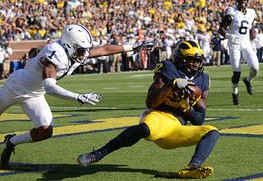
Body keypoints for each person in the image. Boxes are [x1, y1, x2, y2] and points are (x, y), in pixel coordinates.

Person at [0, 24, 154, 166]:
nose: (85, 54)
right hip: (15, 87)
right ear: (69, 46)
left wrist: (132, 47)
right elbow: (50, 87)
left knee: (45, 130)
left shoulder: (75, 51)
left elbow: (103, 50)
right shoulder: (55, 52)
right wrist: (78, 96)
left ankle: (11, 141)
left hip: (35, 94)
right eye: (81, 50)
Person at [77, 40, 220, 179]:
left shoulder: (203, 79)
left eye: (198, 61)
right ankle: (98, 154)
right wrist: (170, 86)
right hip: (160, 117)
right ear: (180, 59)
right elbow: (150, 102)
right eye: (191, 60)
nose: (196, 64)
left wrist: (186, 108)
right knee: (146, 128)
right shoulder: (168, 68)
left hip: (178, 128)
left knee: (212, 132)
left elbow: (199, 120)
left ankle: (192, 167)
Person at [218, 0, 259, 105]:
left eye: (245, 0)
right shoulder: (232, 12)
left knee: (255, 68)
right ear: (236, 0)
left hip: (246, 44)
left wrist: (254, 39)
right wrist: (227, 36)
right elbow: (221, 29)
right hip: (234, 45)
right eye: (240, 0)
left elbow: (250, 27)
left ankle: (248, 80)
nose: (242, 2)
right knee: (237, 71)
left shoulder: (251, 13)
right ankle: (235, 93)